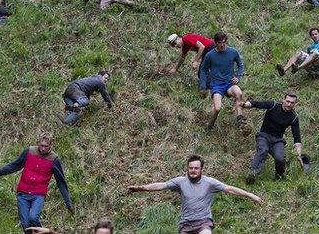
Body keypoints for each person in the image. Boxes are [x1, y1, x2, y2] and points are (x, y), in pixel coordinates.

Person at [127, 155, 263, 234]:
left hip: (203, 223)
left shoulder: (209, 182)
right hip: (185, 224)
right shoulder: (180, 182)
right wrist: (141, 188)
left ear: (201, 169)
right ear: (187, 168)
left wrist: (249, 194)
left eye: (196, 168)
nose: (193, 170)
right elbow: (161, 185)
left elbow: (229, 189)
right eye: (190, 168)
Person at [0, 133, 73, 233]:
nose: (42, 149)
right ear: (38, 143)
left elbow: (61, 182)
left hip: (38, 194)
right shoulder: (29, 151)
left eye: (45, 146)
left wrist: (68, 202)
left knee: (33, 217)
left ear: (51, 146)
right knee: (26, 224)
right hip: (23, 193)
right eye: (41, 145)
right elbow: (14, 165)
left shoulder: (54, 159)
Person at [242, 93, 304, 181]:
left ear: (295, 104)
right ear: (283, 100)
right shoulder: (273, 105)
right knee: (263, 150)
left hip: (278, 140)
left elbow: (297, 138)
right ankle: (252, 175)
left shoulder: (293, 117)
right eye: (287, 101)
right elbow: (257, 104)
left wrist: (299, 155)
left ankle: (279, 177)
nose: (289, 104)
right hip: (264, 135)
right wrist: (246, 104)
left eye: (292, 103)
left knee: (280, 158)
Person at [198, 32, 247, 131]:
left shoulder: (233, 52)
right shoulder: (210, 55)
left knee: (239, 93)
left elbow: (241, 65)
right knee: (217, 108)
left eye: (224, 42)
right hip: (216, 85)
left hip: (229, 83)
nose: (222, 45)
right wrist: (203, 86)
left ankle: (240, 118)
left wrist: (238, 76)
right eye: (220, 43)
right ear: (215, 43)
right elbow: (203, 70)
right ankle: (210, 125)